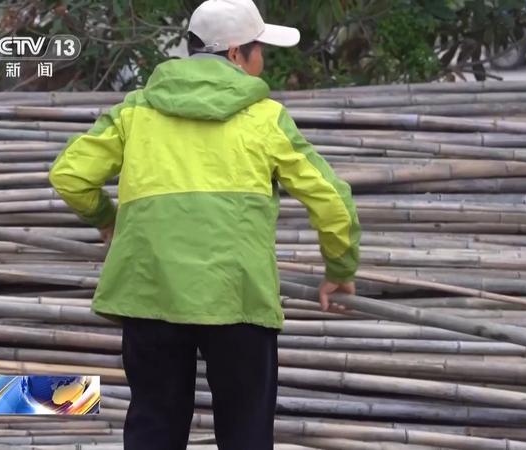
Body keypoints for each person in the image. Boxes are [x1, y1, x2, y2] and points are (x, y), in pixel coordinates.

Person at [47, 0, 361, 448]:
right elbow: (332, 200)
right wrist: (340, 269)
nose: (262, 60)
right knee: (245, 433)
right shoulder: (265, 119)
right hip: (238, 297)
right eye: (259, 49)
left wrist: (107, 219)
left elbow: (70, 175)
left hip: (150, 294)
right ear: (235, 53)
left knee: (154, 428)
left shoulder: (135, 112)